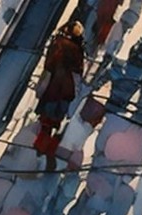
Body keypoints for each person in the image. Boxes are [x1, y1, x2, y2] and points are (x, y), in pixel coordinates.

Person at [33, 22, 85, 171]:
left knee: (46, 122)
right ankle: (49, 151)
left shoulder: (58, 43)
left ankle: (40, 151)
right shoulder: (78, 49)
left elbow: (49, 64)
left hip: (53, 86)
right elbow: (79, 71)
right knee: (56, 121)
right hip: (67, 89)